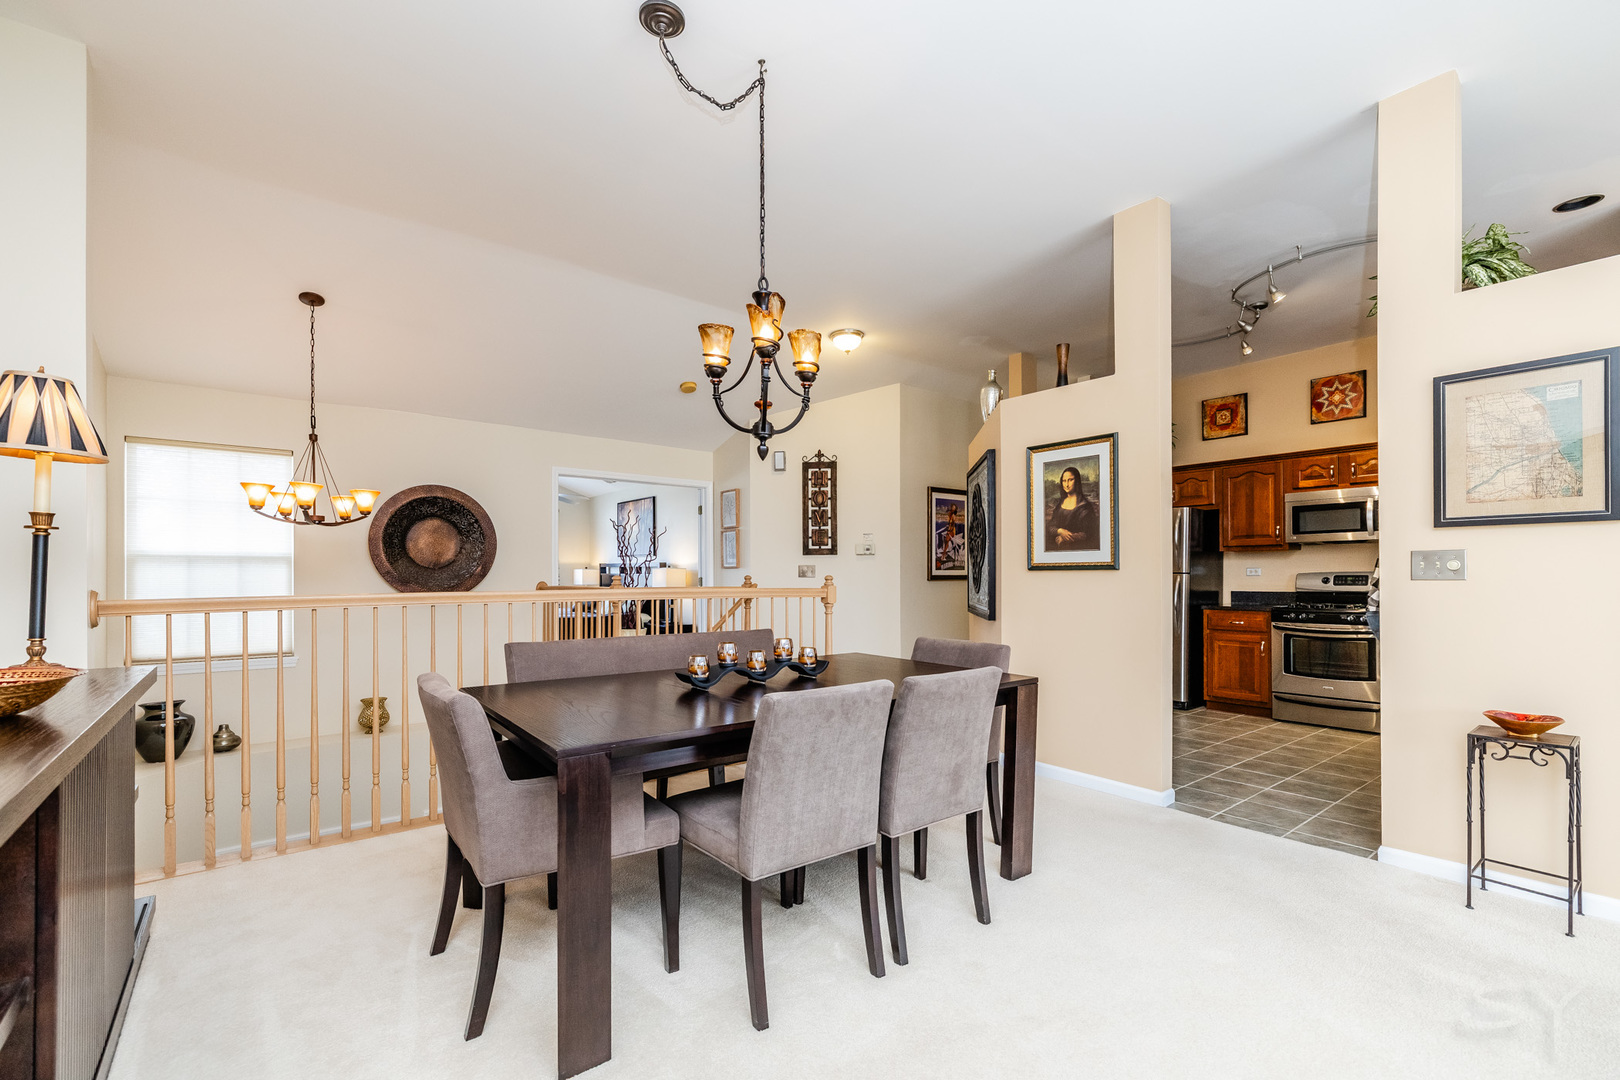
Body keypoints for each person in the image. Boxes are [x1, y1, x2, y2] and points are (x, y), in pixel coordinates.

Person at [1046, 466, 1098, 551]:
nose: (1066, 484)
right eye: (1064, 481)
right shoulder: (1060, 504)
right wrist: (1060, 531)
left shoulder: (1085, 507)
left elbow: (1089, 533)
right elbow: (1050, 526)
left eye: (1070, 480)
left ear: (1077, 481)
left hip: (1078, 549)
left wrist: (1066, 538)